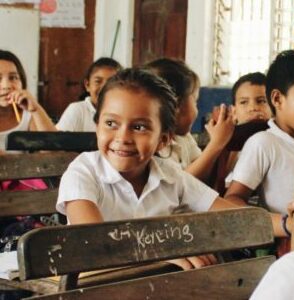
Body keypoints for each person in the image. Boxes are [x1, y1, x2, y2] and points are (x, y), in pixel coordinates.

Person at [56, 68, 240, 270]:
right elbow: (93, 243)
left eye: (139, 127)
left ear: (163, 140)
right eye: (111, 123)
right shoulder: (83, 172)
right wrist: (160, 252)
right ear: (97, 126)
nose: (123, 138)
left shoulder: (170, 175)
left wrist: (282, 222)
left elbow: (240, 217)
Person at [225, 49, 294, 238]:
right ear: (277, 99)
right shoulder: (265, 143)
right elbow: (232, 199)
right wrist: (283, 223)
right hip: (286, 245)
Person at [144, 58, 235, 182]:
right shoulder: (155, 145)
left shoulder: (184, 138)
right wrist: (216, 144)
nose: (197, 109)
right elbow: (181, 185)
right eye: (195, 101)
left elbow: (203, 173)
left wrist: (222, 141)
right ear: (176, 105)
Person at [0, 49, 56, 153]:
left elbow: (53, 151)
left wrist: (36, 109)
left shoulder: (28, 115)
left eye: (13, 78)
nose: (6, 86)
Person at [56, 57, 123, 132]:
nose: (104, 88)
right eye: (98, 81)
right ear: (87, 85)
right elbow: (56, 140)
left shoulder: (124, 112)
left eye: (110, 82)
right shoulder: (78, 110)